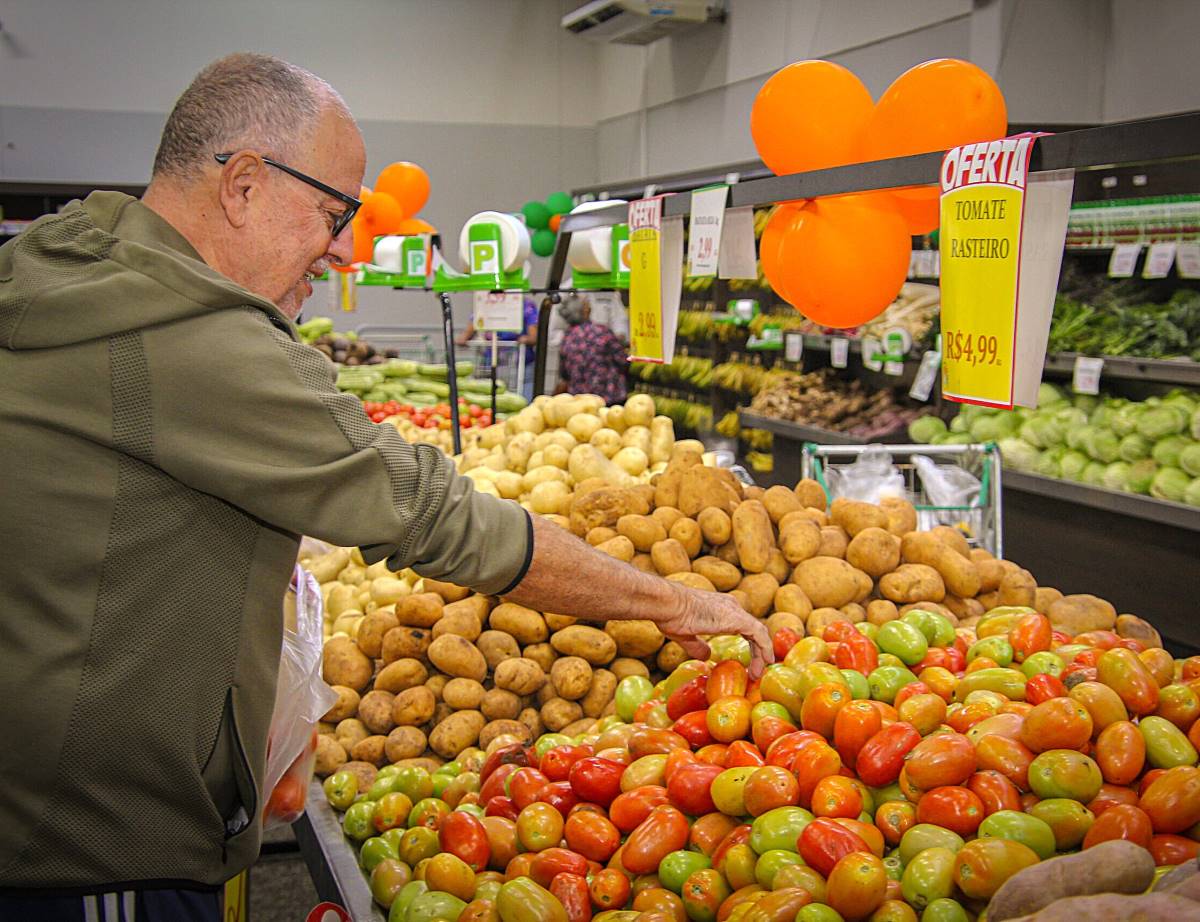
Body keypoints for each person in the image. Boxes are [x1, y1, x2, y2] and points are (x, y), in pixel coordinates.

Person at [0, 53, 770, 920]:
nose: (339, 248)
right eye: (333, 213)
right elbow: (437, 518)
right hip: (94, 849)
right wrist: (675, 604)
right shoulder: (195, 342)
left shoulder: (67, 269)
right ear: (245, 184)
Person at [456, 295, 538, 400]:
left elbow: (534, 336)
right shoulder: (487, 303)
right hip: (490, 364)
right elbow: (473, 324)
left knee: (523, 398)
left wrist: (526, 339)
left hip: (521, 365)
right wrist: (464, 337)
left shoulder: (525, 306)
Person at [558, 293, 630, 404]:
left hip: (580, 401)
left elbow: (564, 373)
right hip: (608, 398)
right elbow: (623, 360)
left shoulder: (567, 338)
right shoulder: (601, 332)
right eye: (587, 304)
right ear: (585, 311)